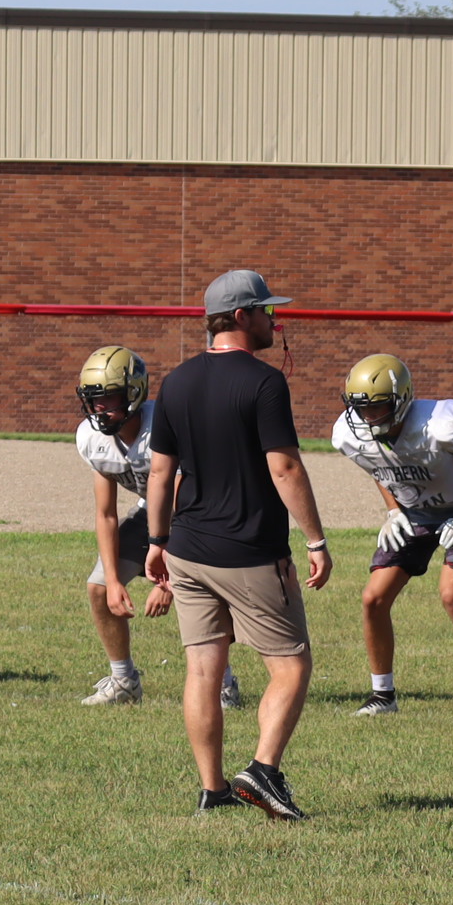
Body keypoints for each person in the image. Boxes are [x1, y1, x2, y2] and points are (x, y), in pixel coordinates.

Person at [142, 270, 333, 820]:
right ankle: (264, 772)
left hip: (187, 548)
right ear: (243, 316)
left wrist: (157, 541)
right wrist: (316, 539)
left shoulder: (175, 382)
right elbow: (285, 465)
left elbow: (160, 473)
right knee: (291, 668)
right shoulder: (264, 383)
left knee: (203, 671)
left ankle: (213, 789)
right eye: (267, 311)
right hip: (249, 551)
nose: (275, 320)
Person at [73, 345, 250, 713]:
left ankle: (223, 684)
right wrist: (115, 579)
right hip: (154, 512)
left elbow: (183, 505)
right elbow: (105, 513)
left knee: (199, 594)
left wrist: (167, 580)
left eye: (108, 398)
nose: (99, 409)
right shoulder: (93, 439)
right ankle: (123, 681)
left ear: (134, 394)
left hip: (207, 511)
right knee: (99, 587)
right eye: (94, 400)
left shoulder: (166, 425)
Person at [330, 353, 453, 721]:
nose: (366, 418)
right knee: (373, 599)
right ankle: (383, 694)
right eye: (360, 409)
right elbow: (378, 465)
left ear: (401, 400)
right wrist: (393, 509)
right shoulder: (350, 434)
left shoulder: (439, 425)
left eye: (376, 408)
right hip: (414, 514)